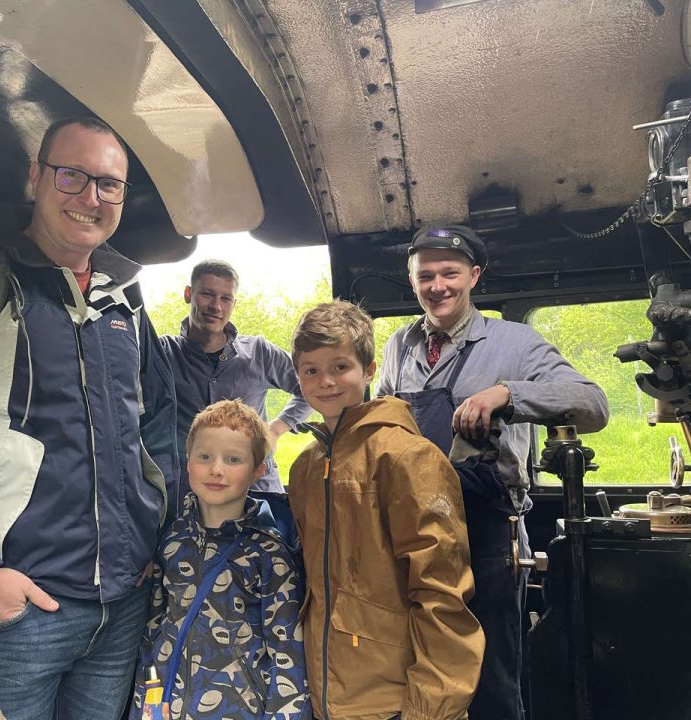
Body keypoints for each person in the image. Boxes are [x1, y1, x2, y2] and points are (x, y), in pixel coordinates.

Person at [0, 116, 177, 720]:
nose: (90, 197)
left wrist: (156, 533)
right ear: (36, 178)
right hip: (18, 608)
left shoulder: (127, 300)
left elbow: (161, 424)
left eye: (109, 184)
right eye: (72, 175)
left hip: (123, 604)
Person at [375, 224, 610, 720]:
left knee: (491, 671)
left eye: (450, 273)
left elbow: (592, 404)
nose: (437, 285)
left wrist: (507, 394)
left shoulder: (516, 342)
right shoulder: (399, 345)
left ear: (474, 276)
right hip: (414, 530)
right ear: (413, 281)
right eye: (426, 276)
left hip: (487, 529)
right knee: (422, 661)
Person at [288, 300, 484, 720]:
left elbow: (441, 592)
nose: (325, 381)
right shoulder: (305, 466)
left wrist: (431, 707)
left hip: (396, 698)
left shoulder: (407, 456)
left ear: (370, 369)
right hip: (326, 692)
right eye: (311, 370)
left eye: (340, 366)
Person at [131, 400, 309, 720]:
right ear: (188, 463)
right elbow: (153, 632)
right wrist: (145, 703)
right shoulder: (171, 541)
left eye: (233, 459)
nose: (216, 469)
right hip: (167, 708)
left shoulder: (269, 555)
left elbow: (288, 659)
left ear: (258, 470)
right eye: (204, 457)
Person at [162, 260, 310, 496]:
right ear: (188, 294)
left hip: (259, 493)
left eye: (225, 299)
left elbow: (310, 387)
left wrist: (276, 429)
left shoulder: (260, 353)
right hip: (190, 495)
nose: (216, 306)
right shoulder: (163, 354)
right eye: (207, 295)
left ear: (234, 303)